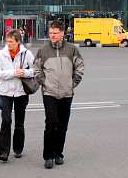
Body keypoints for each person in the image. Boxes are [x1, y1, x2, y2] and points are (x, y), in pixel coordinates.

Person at [33, 20, 85, 169]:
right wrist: (44, 82)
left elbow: (80, 67)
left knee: (63, 125)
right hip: (49, 93)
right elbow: (36, 69)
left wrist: (72, 83)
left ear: (62, 33)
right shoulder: (43, 50)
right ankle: (48, 156)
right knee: (51, 123)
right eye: (50, 33)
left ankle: (58, 154)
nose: (52, 35)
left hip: (67, 93)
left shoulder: (72, 49)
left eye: (55, 33)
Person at [0, 29, 35, 162]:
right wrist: (13, 73)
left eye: (11, 41)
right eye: (7, 41)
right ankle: (4, 152)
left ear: (18, 42)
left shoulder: (27, 53)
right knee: (6, 120)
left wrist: (25, 73)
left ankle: (17, 149)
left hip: (21, 92)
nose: (8, 44)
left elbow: (36, 70)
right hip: (5, 92)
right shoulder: (2, 54)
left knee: (19, 122)